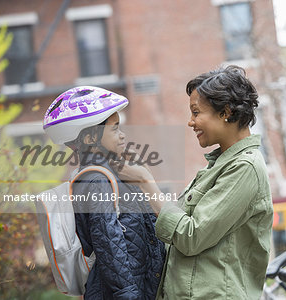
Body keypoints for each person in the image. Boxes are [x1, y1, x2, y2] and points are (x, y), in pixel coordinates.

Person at [112, 65, 273, 299]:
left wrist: (145, 181)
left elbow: (190, 236)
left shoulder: (245, 168)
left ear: (225, 112)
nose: (190, 122)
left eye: (196, 112)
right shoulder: (219, 166)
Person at [43, 86, 165, 300]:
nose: (122, 135)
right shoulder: (96, 181)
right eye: (115, 129)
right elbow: (109, 244)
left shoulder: (115, 174)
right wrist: (127, 295)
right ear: (90, 139)